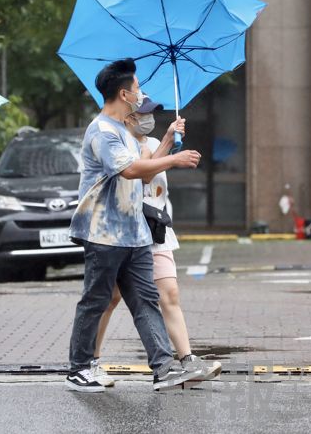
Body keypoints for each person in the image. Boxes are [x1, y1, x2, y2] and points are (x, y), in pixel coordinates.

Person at [65, 58, 204, 393]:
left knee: (145, 300)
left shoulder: (125, 132)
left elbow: (145, 168)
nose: (141, 94)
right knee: (96, 300)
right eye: (138, 88)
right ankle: (80, 367)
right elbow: (127, 170)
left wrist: (168, 140)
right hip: (104, 234)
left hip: (135, 233)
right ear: (125, 94)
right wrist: (175, 159)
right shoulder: (102, 132)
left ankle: (164, 369)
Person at [91, 97, 222, 388]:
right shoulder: (117, 144)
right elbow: (140, 174)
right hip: (124, 233)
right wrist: (169, 151)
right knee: (109, 299)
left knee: (169, 293)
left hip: (156, 229)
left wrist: (164, 141)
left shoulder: (151, 141)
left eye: (151, 114)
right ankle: (91, 361)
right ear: (127, 116)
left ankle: (187, 360)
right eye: (142, 113)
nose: (147, 118)